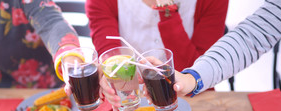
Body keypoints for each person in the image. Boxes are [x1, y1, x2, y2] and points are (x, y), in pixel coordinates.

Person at [100, 0, 281, 110]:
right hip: (131, 106)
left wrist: (167, 12)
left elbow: (191, 65)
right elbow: (251, 37)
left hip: (197, 105)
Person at [86, 0, 229, 71]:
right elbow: (113, 67)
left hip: (193, 99)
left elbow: (200, 74)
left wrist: (167, 9)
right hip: (131, 97)